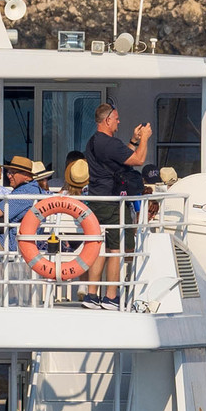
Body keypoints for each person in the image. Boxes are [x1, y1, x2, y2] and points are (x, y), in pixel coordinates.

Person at [82, 101, 152, 300]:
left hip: (97, 199)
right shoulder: (109, 143)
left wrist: (133, 140)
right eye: (117, 119)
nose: (119, 122)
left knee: (99, 246)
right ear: (107, 120)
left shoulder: (94, 142)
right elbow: (137, 160)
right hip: (111, 203)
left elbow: (121, 157)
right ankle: (111, 296)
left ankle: (92, 295)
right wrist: (145, 139)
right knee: (115, 249)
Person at [0, 154, 44, 252]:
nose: (9, 176)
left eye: (13, 173)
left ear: (26, 175)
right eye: (9, 172)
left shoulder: (24, 193)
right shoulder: (32, 189)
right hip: (13, 241)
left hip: (9, 243)